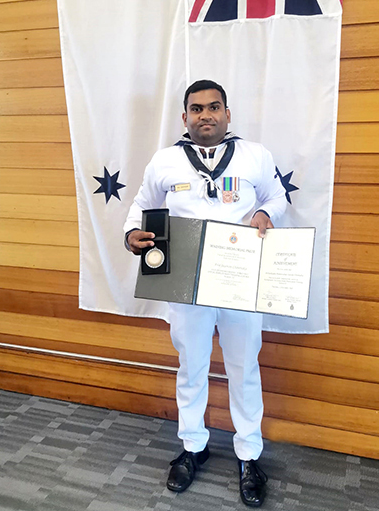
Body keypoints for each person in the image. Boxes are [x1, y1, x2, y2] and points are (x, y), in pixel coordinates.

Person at [123, 79, 287, 507]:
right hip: (185, 282)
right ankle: (192, 445)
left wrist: (267, 212)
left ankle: (249, 454)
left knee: (243, 367)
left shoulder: (255, 155)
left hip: (240, 280)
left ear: (228, 113)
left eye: (214, 107)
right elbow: (141, 206)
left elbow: (276, 195)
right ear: (185, 117)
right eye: (197, 109)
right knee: (191, 367)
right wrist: (132, 235)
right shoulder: (165, 162)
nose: (206, 115)